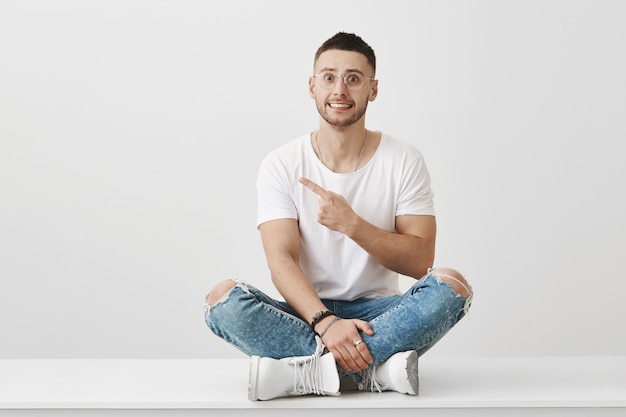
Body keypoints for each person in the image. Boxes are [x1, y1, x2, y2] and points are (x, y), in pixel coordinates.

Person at [204, 32, 473, 401]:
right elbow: (280, 259)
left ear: (372, 90)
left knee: (452, 287)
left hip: (379, 314)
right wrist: (325, 322)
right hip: (304, 312)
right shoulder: (281, 163)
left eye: (353, 78)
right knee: (222, 301)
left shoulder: (403, 159)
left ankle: (303, 375)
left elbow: (420, 261)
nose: (340, 90)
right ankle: (375, 372)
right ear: (312, 86)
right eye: (328, 77)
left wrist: (353, 225)